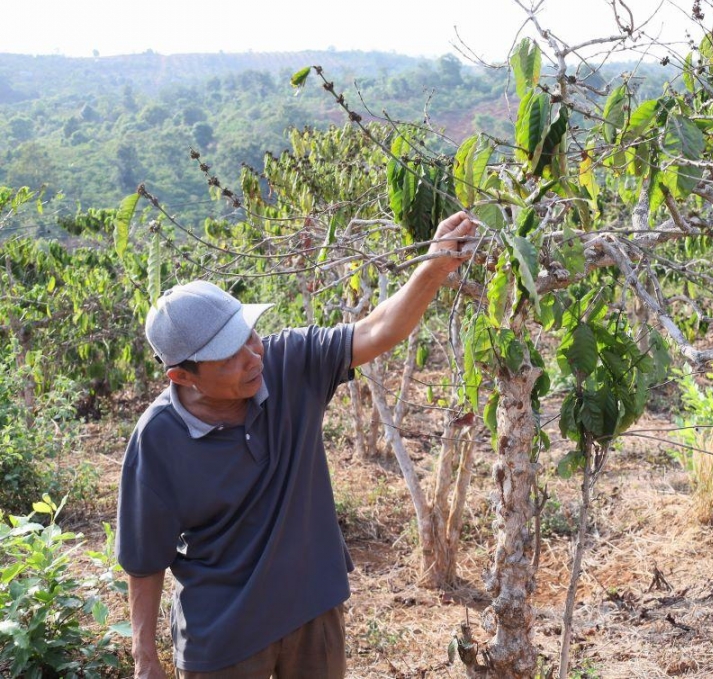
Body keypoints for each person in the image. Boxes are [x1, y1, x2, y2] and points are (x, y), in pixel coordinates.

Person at [116, 212, 476, 678]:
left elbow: (376, 329)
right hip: (222, 637)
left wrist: (434, 266)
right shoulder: (158, 439)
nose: (253, 357)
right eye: (230, 356)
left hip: (313, 612)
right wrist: (146, 660)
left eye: (249, 335)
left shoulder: (287, 363)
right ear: (183, 376)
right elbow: (145, 560)